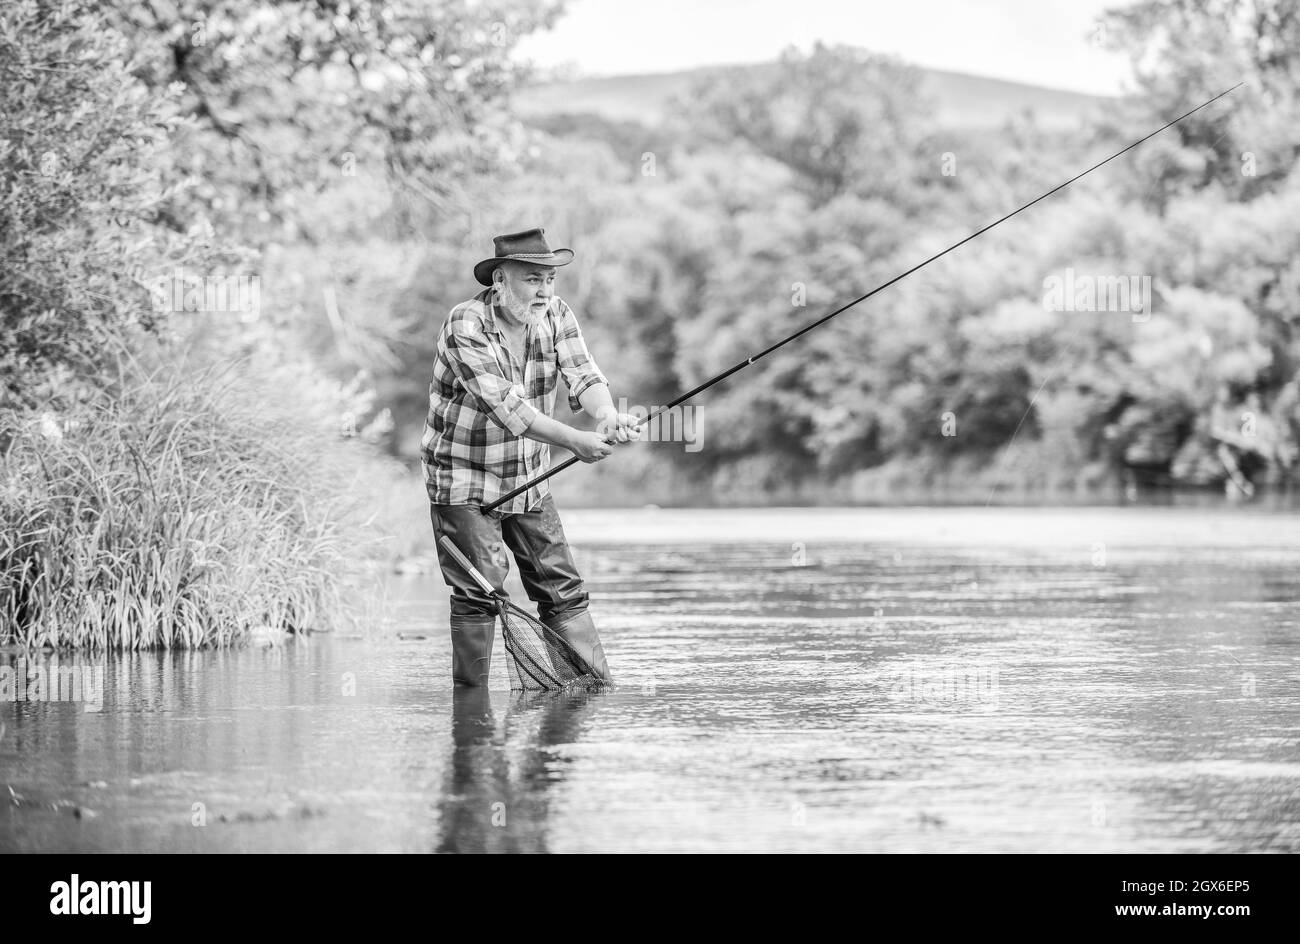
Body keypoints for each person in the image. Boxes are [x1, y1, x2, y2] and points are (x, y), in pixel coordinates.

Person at [421, 228, 636, 686]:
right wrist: (576, 441)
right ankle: (472, 711)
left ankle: (588, 694)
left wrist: (607, 415)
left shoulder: (556, 314)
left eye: (549, 279)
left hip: (529, 476)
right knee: (477, 593)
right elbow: (508, 410)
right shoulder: (466, 324)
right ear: (500, 279)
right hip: (464, 479)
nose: (544, 290)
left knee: (563, 588)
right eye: (532, 279)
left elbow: (583, 374)